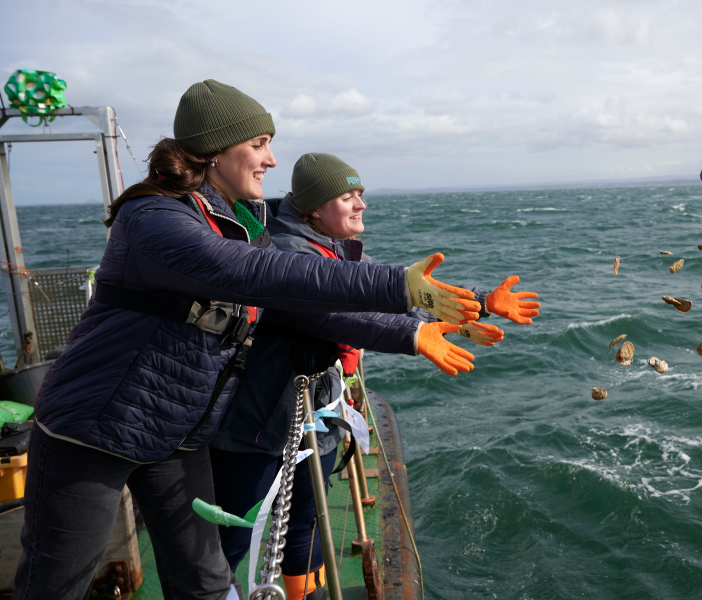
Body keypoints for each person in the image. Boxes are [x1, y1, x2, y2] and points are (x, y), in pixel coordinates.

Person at [14, 81, 482, 600]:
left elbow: (320, 301)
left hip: (176, 425)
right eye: (258, 144)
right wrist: (396, 285)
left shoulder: (239, 221)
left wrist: (458, 306)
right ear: (216, 151)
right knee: (57, 584)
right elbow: (261, 272)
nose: (271, 158)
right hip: (95, 423)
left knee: (206, 580)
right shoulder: (155, 218)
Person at [209, 153, 541, 598]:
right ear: (312, 208)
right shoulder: (287, 252)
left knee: (306, 523)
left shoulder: (332, 246)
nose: (360, 204)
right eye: (347, 196)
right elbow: (334, 316)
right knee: (227, 540)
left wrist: (478, 302)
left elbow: (389, 297)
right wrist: (415, 335)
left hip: (314, 419)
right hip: (257, 427)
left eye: (360, 194)